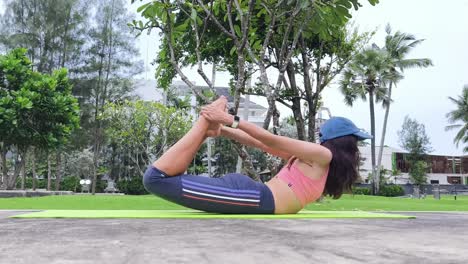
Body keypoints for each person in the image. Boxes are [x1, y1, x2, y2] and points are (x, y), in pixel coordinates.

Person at [143, 96, 372, 214]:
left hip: (251, 195)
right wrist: (227, 123)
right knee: (154, 180)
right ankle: (205, 121)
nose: (356, 149)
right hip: (251, 196)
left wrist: (222, 129)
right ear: (344, 143)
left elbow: (264, 144)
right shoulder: (321, 154)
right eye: (354, 143)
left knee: (160, 180)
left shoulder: (319, 162)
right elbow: (268, 141)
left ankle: (206, 127)